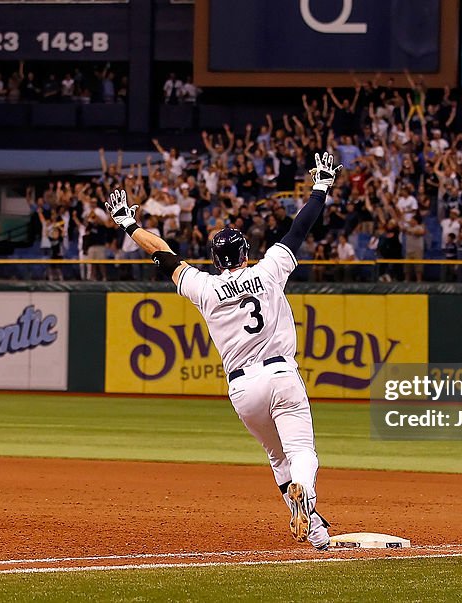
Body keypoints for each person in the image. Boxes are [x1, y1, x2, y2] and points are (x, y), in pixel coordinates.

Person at [103, 152, 343, 551]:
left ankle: (317, 534)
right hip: (281, 375)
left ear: (216, 260)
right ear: (246, 253)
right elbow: (300, 227)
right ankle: (306, 492)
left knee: (276, 457)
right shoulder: (268, 271)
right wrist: (321, 186)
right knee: (302, 453)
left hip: (243, 391)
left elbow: (160, 253)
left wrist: (128, 223)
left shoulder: (204, 287)